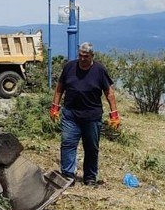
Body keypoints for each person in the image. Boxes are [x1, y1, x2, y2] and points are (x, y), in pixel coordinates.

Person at [49, 42, 120, 186]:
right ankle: (68, 176)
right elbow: (59, 88)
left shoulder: (99, 70)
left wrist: (114, 115)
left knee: (91, 148)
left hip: (92, 117)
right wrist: (55, 107)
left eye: (86, 56)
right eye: (80, 55)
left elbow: (109, 93)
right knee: (68, 144)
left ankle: (90, 177)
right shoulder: (69, 67)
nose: (82, 59)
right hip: (70, 115)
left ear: (92, 56)